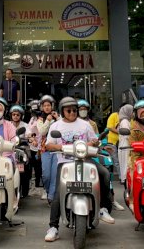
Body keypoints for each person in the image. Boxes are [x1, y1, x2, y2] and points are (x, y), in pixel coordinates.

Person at [44, 97, 114, 242]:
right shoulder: (56, 126)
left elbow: (95, 141)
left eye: (75, 110)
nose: (72, 113)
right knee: (58, 193)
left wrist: (95, 143)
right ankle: (53, 227)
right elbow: (48, 145)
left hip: (86, 161)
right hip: (65, 163)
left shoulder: (85, 125)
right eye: (68, 110)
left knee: (105, 174)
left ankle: (103, 209)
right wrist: (62, 147)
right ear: (62, 111)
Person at [29, 95, 59, 201]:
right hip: (45, 149)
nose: (47, 107)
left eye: (49, 105)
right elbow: (42, 131)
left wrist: (57, 118)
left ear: (52, 106)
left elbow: (62, 129)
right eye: (45, 105)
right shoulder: (40, 119)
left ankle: (51, 196)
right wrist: (48, 120)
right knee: (46, 174)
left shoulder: (57, 118)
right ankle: (47, 190)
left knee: (54, 174)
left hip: (57, 149)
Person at [117, 104, 133, 188]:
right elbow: (127, 135)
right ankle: (126, 181)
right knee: (127, 164)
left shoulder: (124, 121)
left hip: (124, 145)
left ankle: (125, 180)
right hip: (126, 146)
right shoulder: (125, 122)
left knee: (124, 164)